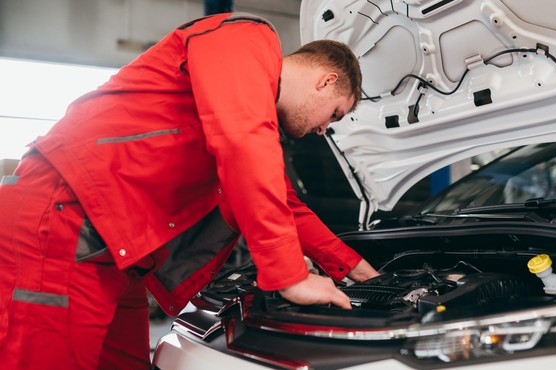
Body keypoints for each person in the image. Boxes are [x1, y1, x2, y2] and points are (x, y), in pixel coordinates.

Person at [0, 12, 379, 370]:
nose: (323, 130)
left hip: (118, 254)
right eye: (334, 115)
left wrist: (360, 272)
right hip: (61, 222)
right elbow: (244, 145)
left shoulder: (246, 108)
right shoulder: (247, 37)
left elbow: (283, 203)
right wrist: (288, 276)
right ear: (326, 80)